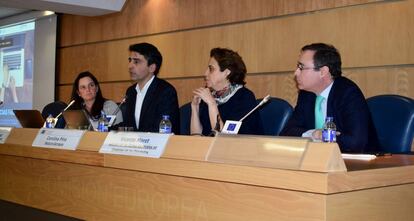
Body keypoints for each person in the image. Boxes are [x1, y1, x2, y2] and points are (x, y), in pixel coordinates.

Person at [280, 43, 378, 153]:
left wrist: (323, 137)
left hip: (359, 164)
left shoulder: (348, 93)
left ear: (323, 72)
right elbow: (287, 132)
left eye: (301, 67)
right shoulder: (307, 94)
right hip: (319, 161)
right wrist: (315, 133)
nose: (296, 72)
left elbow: (356, 142)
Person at [190, 47, 263, 136]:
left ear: (227, 72)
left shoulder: (244, 97)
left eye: (211, 69)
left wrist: (212, 104)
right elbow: (196, 137)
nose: (205, 73)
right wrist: (195, 107)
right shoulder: (211, 96)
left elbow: (225, 139)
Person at [120, 42, 180, 133]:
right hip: (135, 145)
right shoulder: (131, 92)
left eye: (136, 62)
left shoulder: (166, 92)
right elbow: (128, 125)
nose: (130, 66)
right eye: (130, 60)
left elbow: (164, 130)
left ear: (152, 68)